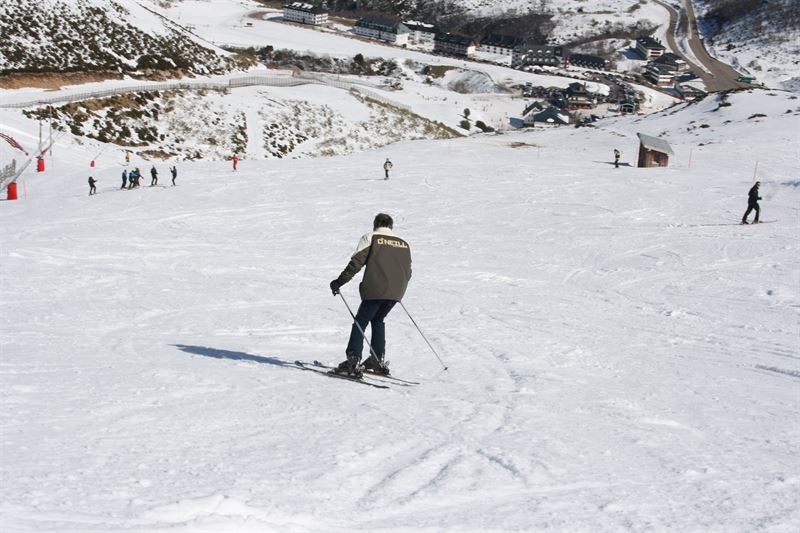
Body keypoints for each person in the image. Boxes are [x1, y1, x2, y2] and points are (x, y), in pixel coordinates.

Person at [329, 213, 412, 377]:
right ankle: (376, 359)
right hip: (397, 291)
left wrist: (339, 282)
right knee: (378, 319)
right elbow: (408, 271)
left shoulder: (371, 237)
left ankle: (353, 360)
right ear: (391, 226)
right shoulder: (404, 244)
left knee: (360, 321)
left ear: (375, 224)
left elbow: (356, 264)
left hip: (376, 289)